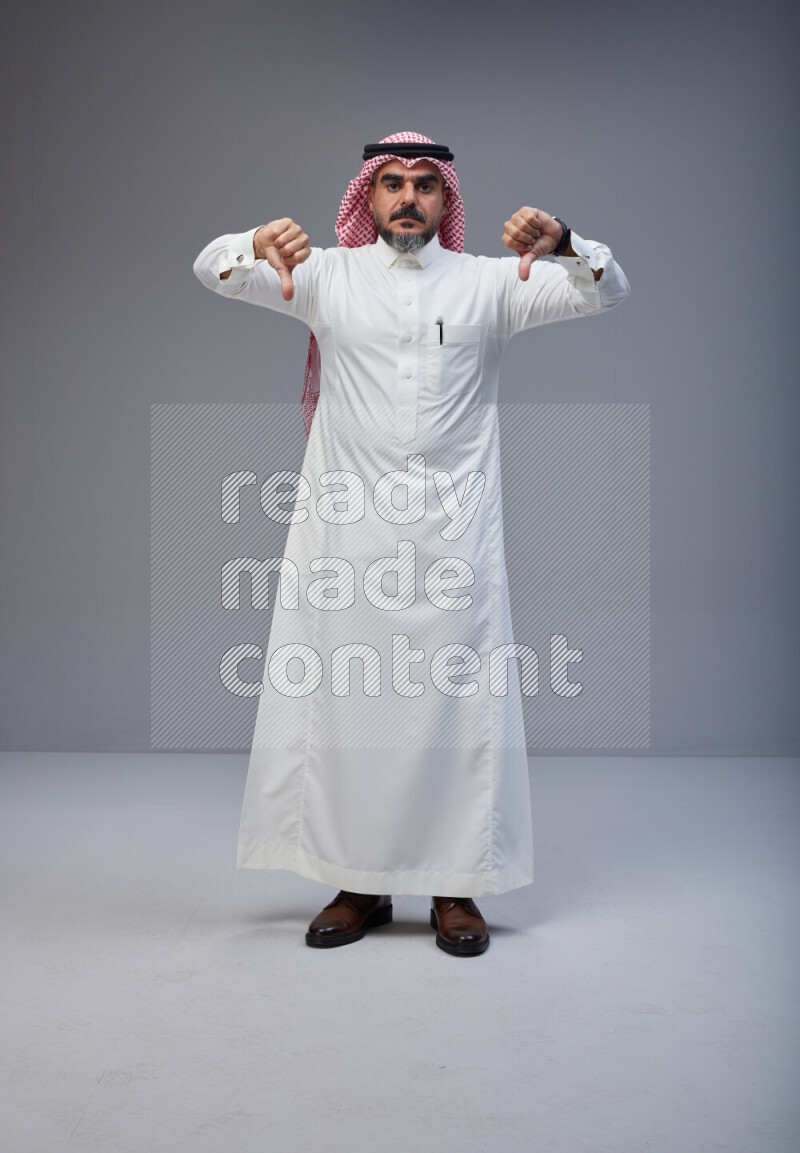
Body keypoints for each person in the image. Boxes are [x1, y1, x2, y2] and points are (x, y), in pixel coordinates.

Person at [192, 131, 630, 957]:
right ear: (368, 195)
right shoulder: (324, 276)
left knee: (457, 714)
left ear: (444, 200)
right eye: (391, 183)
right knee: (349, 710)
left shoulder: (493, 284)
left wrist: (567, 244)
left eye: (425, 185)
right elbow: (211, 269)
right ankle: (357, 884)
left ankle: (455, 888)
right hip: (348, 544)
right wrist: (251, 242)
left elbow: (607, 291)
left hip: (455, 543)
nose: (407, 198)